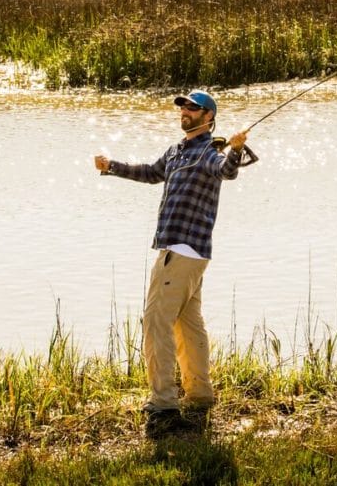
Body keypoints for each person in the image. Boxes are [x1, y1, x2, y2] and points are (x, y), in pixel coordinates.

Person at [94, 89, 249, 437]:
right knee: (188, 324)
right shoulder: (177, 151)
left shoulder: (209, 151)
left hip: (181, 251)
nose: (185, 112)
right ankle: (200, 395)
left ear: (208, 117)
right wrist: (112, 166)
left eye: (193, 109)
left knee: (155, 322)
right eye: (183, 107)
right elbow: (150, 173)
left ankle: (163, 405)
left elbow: (226, 172)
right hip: (188, 253)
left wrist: (236, 150)